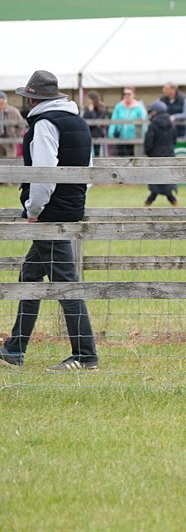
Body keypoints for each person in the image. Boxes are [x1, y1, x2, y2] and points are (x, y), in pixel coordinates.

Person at [0, 70, 99, 372]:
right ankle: (15, 348)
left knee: (66, 285)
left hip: (49, 212)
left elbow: (43, 175)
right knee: (30, 276)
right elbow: (89, 171)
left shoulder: (44, 124)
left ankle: (85, 354)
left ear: (32, 98)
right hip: (70, 207)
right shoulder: (77, 122)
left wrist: (33, 211)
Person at [143, 101, 179, 206]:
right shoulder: (172, 125)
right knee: (165, 181)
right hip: (169, 156)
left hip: (156, 156)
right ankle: (173, 202)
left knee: (157, 181)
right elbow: (174, 141)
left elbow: (148, 142)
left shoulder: (152, 126)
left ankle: (149, 203)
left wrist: (148, 153)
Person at [108, 87, 147, 157]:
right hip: (120, 138)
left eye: (129, 94)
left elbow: (143, 123)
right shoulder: (118, 106)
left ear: (133, 94)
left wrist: (142, 136)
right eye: (124, 94)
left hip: (134, 139)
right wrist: (111, 133)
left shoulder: (138, 108)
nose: (126, 96)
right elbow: (113, 120)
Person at [0, 90, 28, 159]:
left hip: (10, 141)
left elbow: (22, 125)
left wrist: (16, 136)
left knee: (10, 160)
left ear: (5, 101)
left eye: (2, 100)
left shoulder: (13, 111)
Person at [82, 90, 107, 156]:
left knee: (97, 153)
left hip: (97, 134)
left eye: (89, 99)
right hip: (89, 133)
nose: (87, 101)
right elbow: (84, 121)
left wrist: (91, 111)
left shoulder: (101, 110)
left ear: (93, 100)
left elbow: (97, 123)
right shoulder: (86, 110)